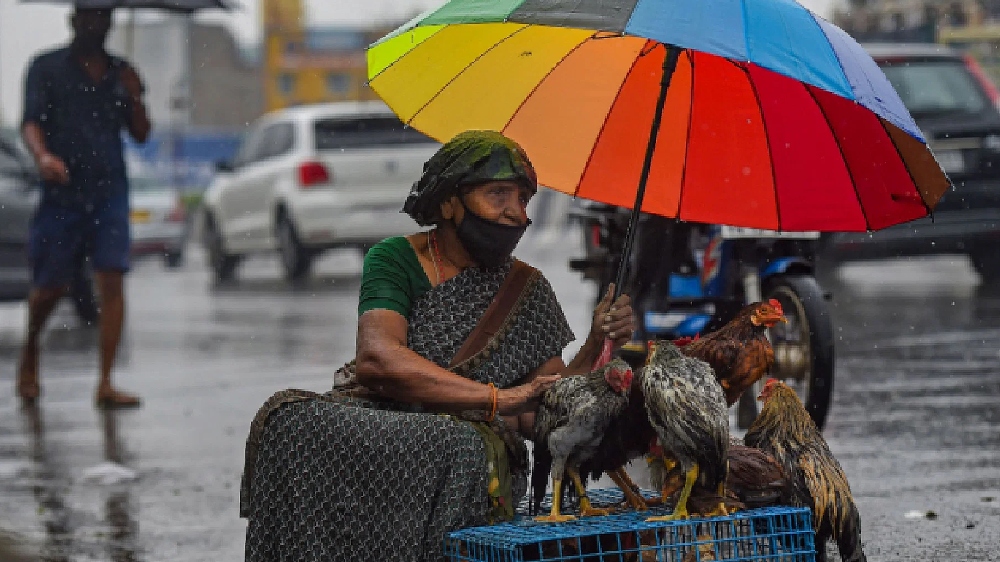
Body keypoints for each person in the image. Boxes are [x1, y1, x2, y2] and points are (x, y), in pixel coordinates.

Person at [240, 131, 635, 561]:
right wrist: (497, 397)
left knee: (456, 445)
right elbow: (378, 359)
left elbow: (545, 413)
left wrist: (597, 342)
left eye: (523, 199)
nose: (515, 213)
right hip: (380, 424)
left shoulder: (527, 288)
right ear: (449, 202)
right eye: (498, 194)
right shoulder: (395, 259)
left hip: (467, 444)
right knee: (288, 420)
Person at [15, 7, 151, 408]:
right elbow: (31, 122)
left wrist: (137, 96)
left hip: (110, 191)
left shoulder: (121, 73)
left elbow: (141, 134)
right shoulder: (46, 68)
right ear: (74, 20)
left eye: (104, 18)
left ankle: (106, 381)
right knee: (49, 288)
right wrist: (42, 157)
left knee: (111, 279)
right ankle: (30, 352)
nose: (98, 26)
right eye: (90, 17)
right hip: (63, 194)